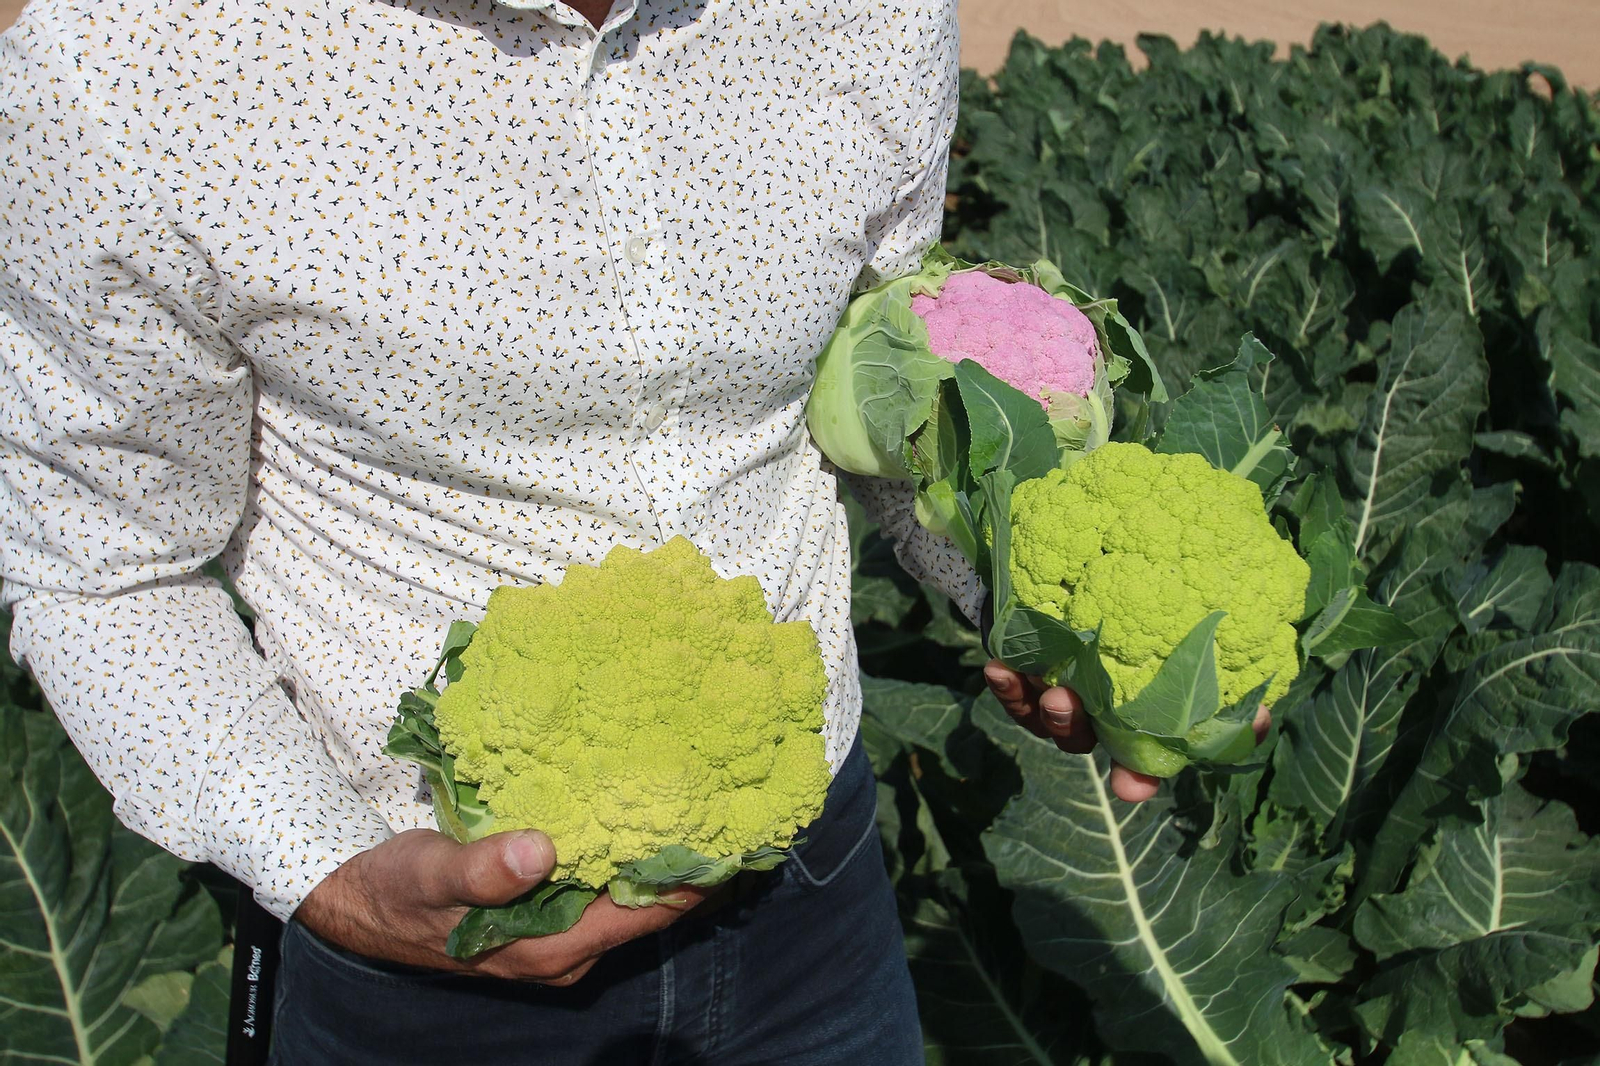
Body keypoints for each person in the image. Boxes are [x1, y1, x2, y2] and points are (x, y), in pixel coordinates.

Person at [0, 0, 1167, 1060]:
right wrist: (329, 876)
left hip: (812, 885)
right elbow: (98, 563)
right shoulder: (127, 64)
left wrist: (1029, 592)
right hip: (432, 957)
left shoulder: (867, 14)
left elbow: (893, 386)